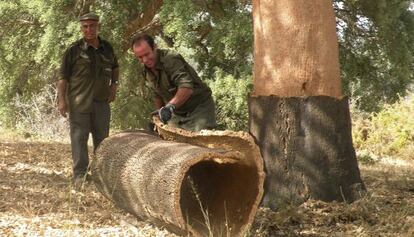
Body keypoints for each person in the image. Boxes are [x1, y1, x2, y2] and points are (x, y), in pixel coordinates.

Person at [57, 12, 119, 186]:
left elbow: (115, 67)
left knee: (102, 140)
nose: (89, 29)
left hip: (101, 102)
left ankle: (100, 175)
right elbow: (63, 78)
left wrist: (114, 85)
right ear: (81, 28)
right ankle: (80, 176)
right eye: (85, 26)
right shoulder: (73, 50)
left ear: (98, 26)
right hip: (79, 102)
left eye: (92, 26)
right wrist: (61, 100)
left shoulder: (107, 48)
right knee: (79, 139)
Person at [131, 33, 216, 132]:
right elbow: (158, 95)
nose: (145, 60)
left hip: (199, 108)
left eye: (147, 54)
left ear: (154, 47)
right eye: (140, 57)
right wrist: (161, 116)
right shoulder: (145, 71)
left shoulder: (170, 59)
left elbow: (186, 88)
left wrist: (169, 108)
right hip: (177, 112)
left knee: (200, 142)